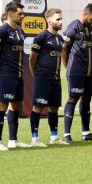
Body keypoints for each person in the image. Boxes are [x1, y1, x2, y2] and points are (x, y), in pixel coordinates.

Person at [0, 1, 30, 150]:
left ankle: (13, 140)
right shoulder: (2, 31)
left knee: (16, 105)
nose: (23, 16)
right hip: (6, 74)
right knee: (2, 105)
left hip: (18, 74)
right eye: (20, 13)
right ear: (10, 14)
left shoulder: (20, 31)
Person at [61, 3, 92, 143]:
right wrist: (68, 69)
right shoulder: (73, 27)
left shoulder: (91, 30)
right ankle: (66, 134)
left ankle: (86, 133)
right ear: (85, 14)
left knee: (87, 100)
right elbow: (64, 50)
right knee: (73, 98)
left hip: (90, 72)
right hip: (76, 72)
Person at [28, 8, 68, 147]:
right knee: (38, 107)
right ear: (49, 21)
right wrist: (37, 76)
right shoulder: (41, 37)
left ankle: (54, 137)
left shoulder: (60, 38)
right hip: (43, 78)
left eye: (61, 19)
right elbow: (32, 59)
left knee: (54, 108)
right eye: (58, 19)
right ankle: (35, 139)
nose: (61, 21)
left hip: (56, 78)